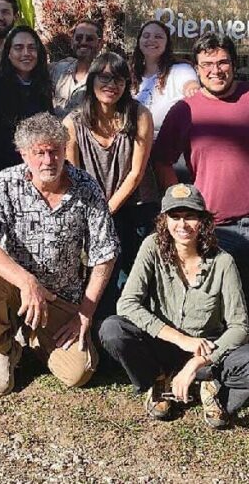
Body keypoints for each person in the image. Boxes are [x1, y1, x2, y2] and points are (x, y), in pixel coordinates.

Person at [152, 34, 249, 375]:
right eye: (207, 65)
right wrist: (183, 211)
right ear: (196, 70)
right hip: (215, 224)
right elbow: (162, 161)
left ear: (234, 63)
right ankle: (222, 361)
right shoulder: (185, 110)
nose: (216, 70)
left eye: (223, 62)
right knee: (216, 296)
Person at [0, 112, 119, 397]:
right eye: (39, 153)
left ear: (64, 150)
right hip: (11, 287)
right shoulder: (4, 183)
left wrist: (85, 313)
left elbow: (104, 254)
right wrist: (27, 282)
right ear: (24, 155)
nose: (48, 160)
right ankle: (4, 348)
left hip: (59, 298)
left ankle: (30, 336)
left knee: (79, 372)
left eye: (54, 151)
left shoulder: (87, 188)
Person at [100, 184, 249, 428]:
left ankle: (213, 391)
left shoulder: (223, 262)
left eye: (190, 216)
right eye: (175, 216)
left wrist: (198, 361)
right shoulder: (151, 247)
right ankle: (158, 381)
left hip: (205, 347)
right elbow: (127, 303)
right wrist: (180, 339)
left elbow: (239, 326)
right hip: (162, 342)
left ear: (203, 220)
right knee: (113, 329)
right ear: (164, 220)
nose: (182, 224)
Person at [63, 51, 154, 308]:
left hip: (134, 207)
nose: (111, 86)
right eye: (104, 78)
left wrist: (108, 209)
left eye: (119, 80)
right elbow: (74, 174)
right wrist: (96, 213)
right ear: (91, 81)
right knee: (98, 278)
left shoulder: (139, 115)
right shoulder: (73, 121)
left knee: (132, 279)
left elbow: (136, 173)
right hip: (91, 208)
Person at [0, 27, 53, 208]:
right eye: (19, 47)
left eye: (32, 48)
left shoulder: (43, 88)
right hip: (0, 173)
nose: (26, 53)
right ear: (8, 53)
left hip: (35, 175)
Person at [130, 20, 200, 133]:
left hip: (167, 145)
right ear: (139, 41)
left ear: (167, 43)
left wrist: (192, 88)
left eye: (158, 37)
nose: (151, 40)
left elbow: (190, 85)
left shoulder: (180, 70)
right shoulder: (130, 75)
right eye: (146, 36)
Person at [50, 20, 102, 118]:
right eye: (78, 38)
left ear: (100, 44)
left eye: (89, 39)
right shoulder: (58, 70)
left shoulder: (103, 78)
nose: (83, 42)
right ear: (72, 41)